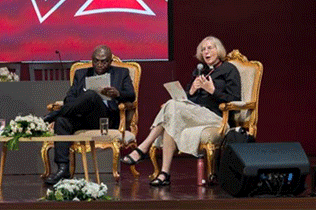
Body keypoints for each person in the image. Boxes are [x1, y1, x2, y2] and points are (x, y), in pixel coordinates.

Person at [120, 36, 240, 186]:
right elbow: (187, 99)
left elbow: (235, 99)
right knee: (170, 115)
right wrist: (192, 90)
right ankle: (164, 174)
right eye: (203, 49)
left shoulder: (229, 70)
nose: (206, 52)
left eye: (210, 48)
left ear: (219, 50)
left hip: (216, 117)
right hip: (196, 114)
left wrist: (213, 91)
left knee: (171, 108)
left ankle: (143, 148)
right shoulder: (200, 71)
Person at [42, 45, 135, 185]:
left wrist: (118, 93)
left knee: (91, 95)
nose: (99, 64)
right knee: (62, 121)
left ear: (110, 62)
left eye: (103, 61)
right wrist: (81, 101)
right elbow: (69, 98)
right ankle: (63, 168)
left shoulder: (121, 73)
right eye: (96, 61)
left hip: (105, 118)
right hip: (83, 117)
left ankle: (54, 114)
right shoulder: (81, 74)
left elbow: (131, 96)